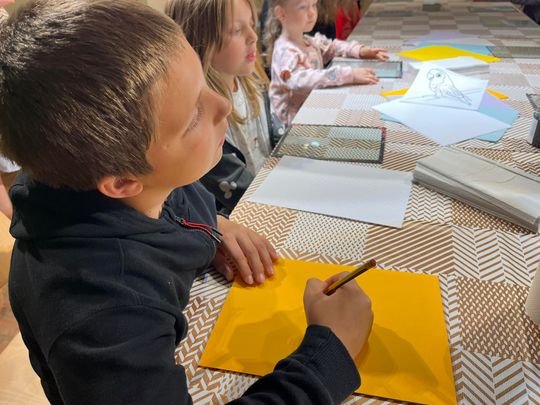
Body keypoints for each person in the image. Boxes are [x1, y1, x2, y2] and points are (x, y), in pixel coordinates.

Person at [0, 1, 373, 404]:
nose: (223, 105)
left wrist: (215, 225)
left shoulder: (145, 181)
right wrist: (328, 355)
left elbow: (180, 203)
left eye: (202, 83)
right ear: (123, 182)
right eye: (192, 114)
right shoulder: (100, 314)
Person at [166, 0, 276, 212]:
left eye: (252, 24)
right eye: (237, 30)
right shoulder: (202, 118)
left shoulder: (252, 83)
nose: (253, 36)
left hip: (272, 186)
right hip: (248, 211)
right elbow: (240, 193)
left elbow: (273, 138)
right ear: (202, 41)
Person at [264, 0, 388, 127]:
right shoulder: (284, 52)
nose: (312, 13)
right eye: (303, 7)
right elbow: (301, 80)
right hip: (292, 126)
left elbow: (332, 47)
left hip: (312, 110)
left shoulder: (308, 41)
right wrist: (347, 74)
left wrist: (359, 51)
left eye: (313, 5)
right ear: (281, 13)